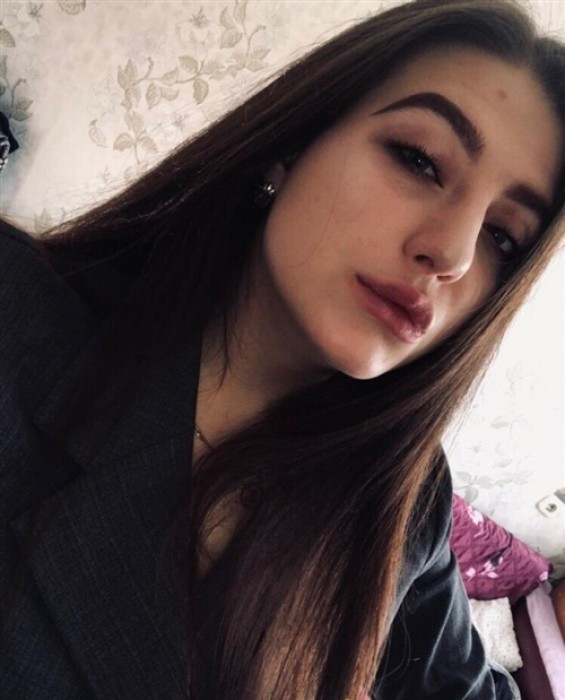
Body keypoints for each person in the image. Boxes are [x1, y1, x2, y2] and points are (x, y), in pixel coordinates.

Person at [1, 0, 563, 698]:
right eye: (418, 160)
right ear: (292, 146)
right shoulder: (20, 319)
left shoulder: (404, 493)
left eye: (501, 236)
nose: (450, 254)